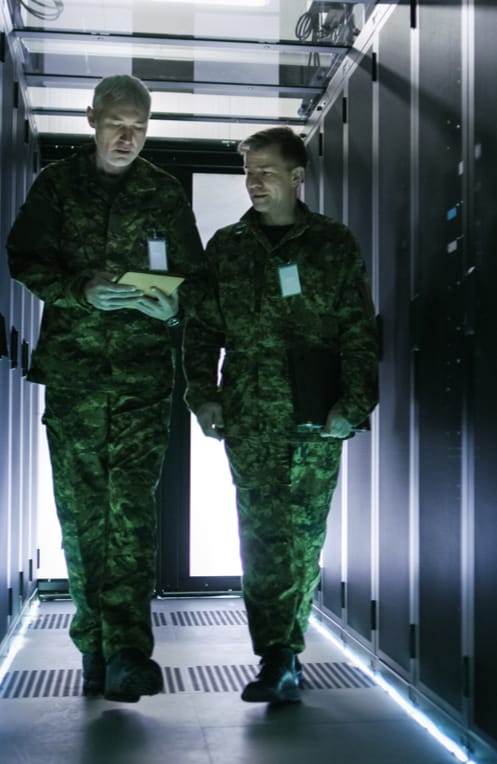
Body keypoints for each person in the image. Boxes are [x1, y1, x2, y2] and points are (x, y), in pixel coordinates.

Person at [7, 74, 205, 703]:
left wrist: (169, 309)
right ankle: (92, 643)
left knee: (133, 515)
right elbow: (24, 257)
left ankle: (126, 652)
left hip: (145, 378)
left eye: (140, 127)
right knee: (83, 513)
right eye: (118, 122)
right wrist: (78, 290)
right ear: (91, 117)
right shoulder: (58, 186)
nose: (128, 137)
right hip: (75, 377)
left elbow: (194, 281)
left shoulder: (165, 194)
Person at [182, 127, 379, 704]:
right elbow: (202, 330)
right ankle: (277, 657)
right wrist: (203, 394)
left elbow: (358, 331)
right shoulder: (227, 247)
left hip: (318, 415)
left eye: (266, 170)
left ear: (297, 178)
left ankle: (285, 651)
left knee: (303, 538)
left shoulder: (333, 244)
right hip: (250, 413)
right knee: (262, 535)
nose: (254, 181)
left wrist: (354, 402)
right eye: (249, 171)